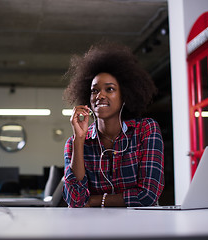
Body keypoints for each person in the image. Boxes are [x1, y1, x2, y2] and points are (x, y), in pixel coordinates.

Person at [62, 42, 164, 208]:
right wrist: (79, 140)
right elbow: (75, 200)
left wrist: (95, 200)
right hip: (96, 229)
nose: (99, 96)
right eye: (94, 90)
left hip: (142, 228)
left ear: (124, 95)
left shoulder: (146, 130)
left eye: (109, 89)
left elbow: (148, 195)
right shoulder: (73, 144)